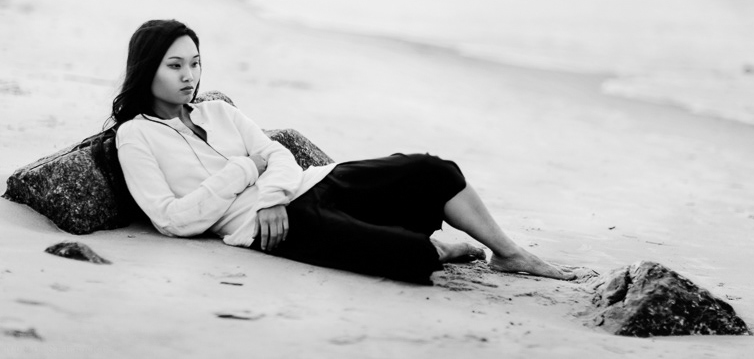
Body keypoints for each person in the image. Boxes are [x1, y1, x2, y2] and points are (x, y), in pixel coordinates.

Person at [112, 19, 586, 285]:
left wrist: (272, 193)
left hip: (309, 185)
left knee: (432, 170)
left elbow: (278, 155)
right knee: (407, 255)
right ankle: (442, 247)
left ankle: (510, 253)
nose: (189, 76)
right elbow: (171, 220)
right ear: (147, 69)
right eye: (175, 65)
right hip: (270, 227)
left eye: (195, 63)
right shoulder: (135, 136)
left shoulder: (218, 111)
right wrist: (245, 171)